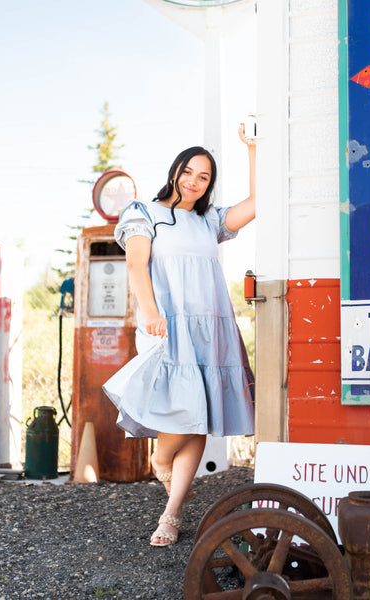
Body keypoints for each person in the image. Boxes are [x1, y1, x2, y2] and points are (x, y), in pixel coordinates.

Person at [103, 124, 256, 547]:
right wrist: (151, 314)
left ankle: (171, 515)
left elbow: (257, 203)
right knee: (182, 413)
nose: (193, 181)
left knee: (199, 417)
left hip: (212, 328)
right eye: (188, 172)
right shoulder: (143, 212)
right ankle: (162, 456)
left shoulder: (209, 220)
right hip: (166, 325)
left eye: (203, 176)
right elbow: (136, 266)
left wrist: (253, 150)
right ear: (175, 172)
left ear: (209, 183)